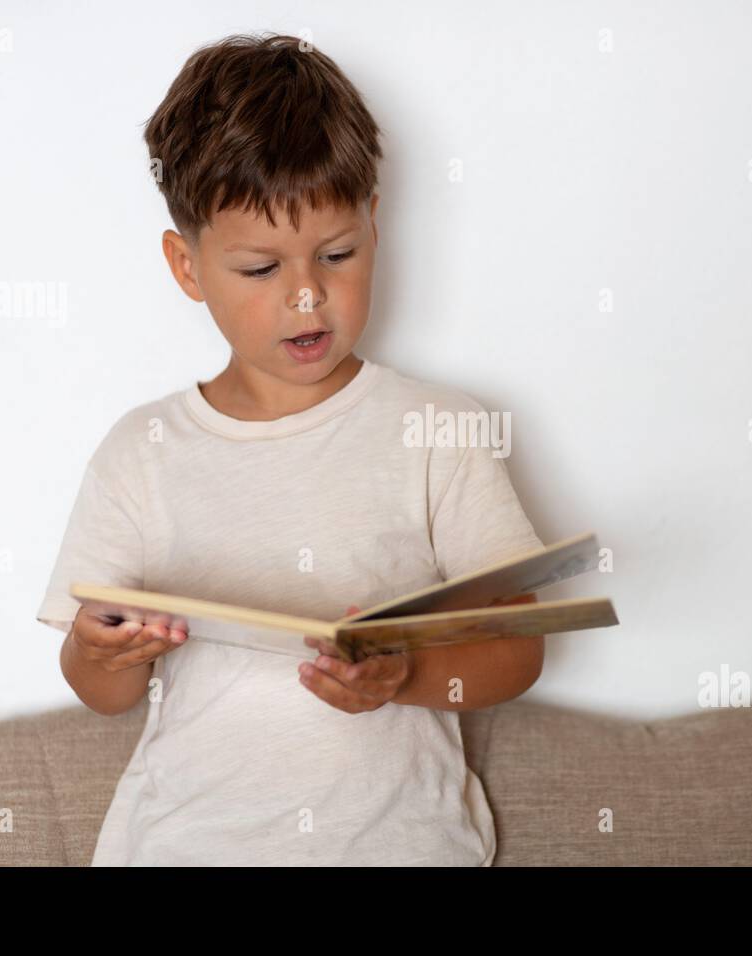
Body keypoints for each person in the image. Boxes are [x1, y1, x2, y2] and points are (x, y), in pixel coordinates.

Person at [35, 33, 545, 865]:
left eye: (336, 255)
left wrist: (403, 676)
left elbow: (520, 648)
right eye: (260, 268)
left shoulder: (438, 430)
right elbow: (102, 694)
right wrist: (101, 651)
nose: (307, 295)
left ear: (375, 228)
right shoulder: (143, 452)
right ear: (187, 266)